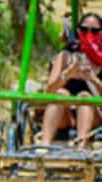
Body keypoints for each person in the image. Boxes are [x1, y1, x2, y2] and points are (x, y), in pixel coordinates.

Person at [41, 12, 102, 146]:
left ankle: (81, 145)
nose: (89, 34)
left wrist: (93, 79)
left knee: (85, 96)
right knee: (61, 94)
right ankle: (44, 146)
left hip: (94, 116)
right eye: (84, 30)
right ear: (78, 31)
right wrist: (67, 75)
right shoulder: (66, 56)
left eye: (95, 31)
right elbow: (49, 92)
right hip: (65, 115)